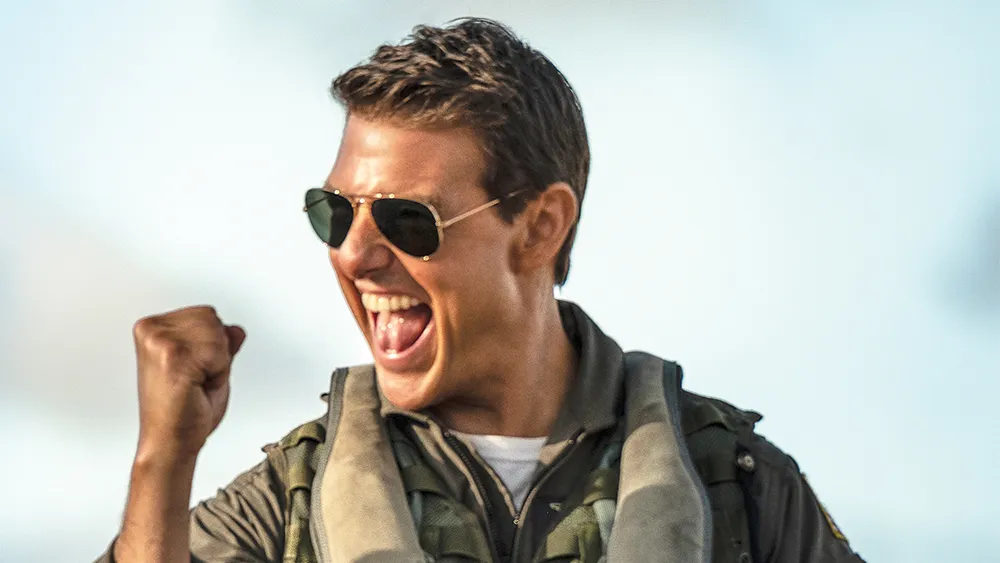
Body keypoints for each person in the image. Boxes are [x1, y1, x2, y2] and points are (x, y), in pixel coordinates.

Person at [96, 17, 865, 563]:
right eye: (334, 211)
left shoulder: (739, 488)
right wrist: (163, 460)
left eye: (407, 218)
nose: (354, 253)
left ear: (540, 227)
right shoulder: (289, 501)